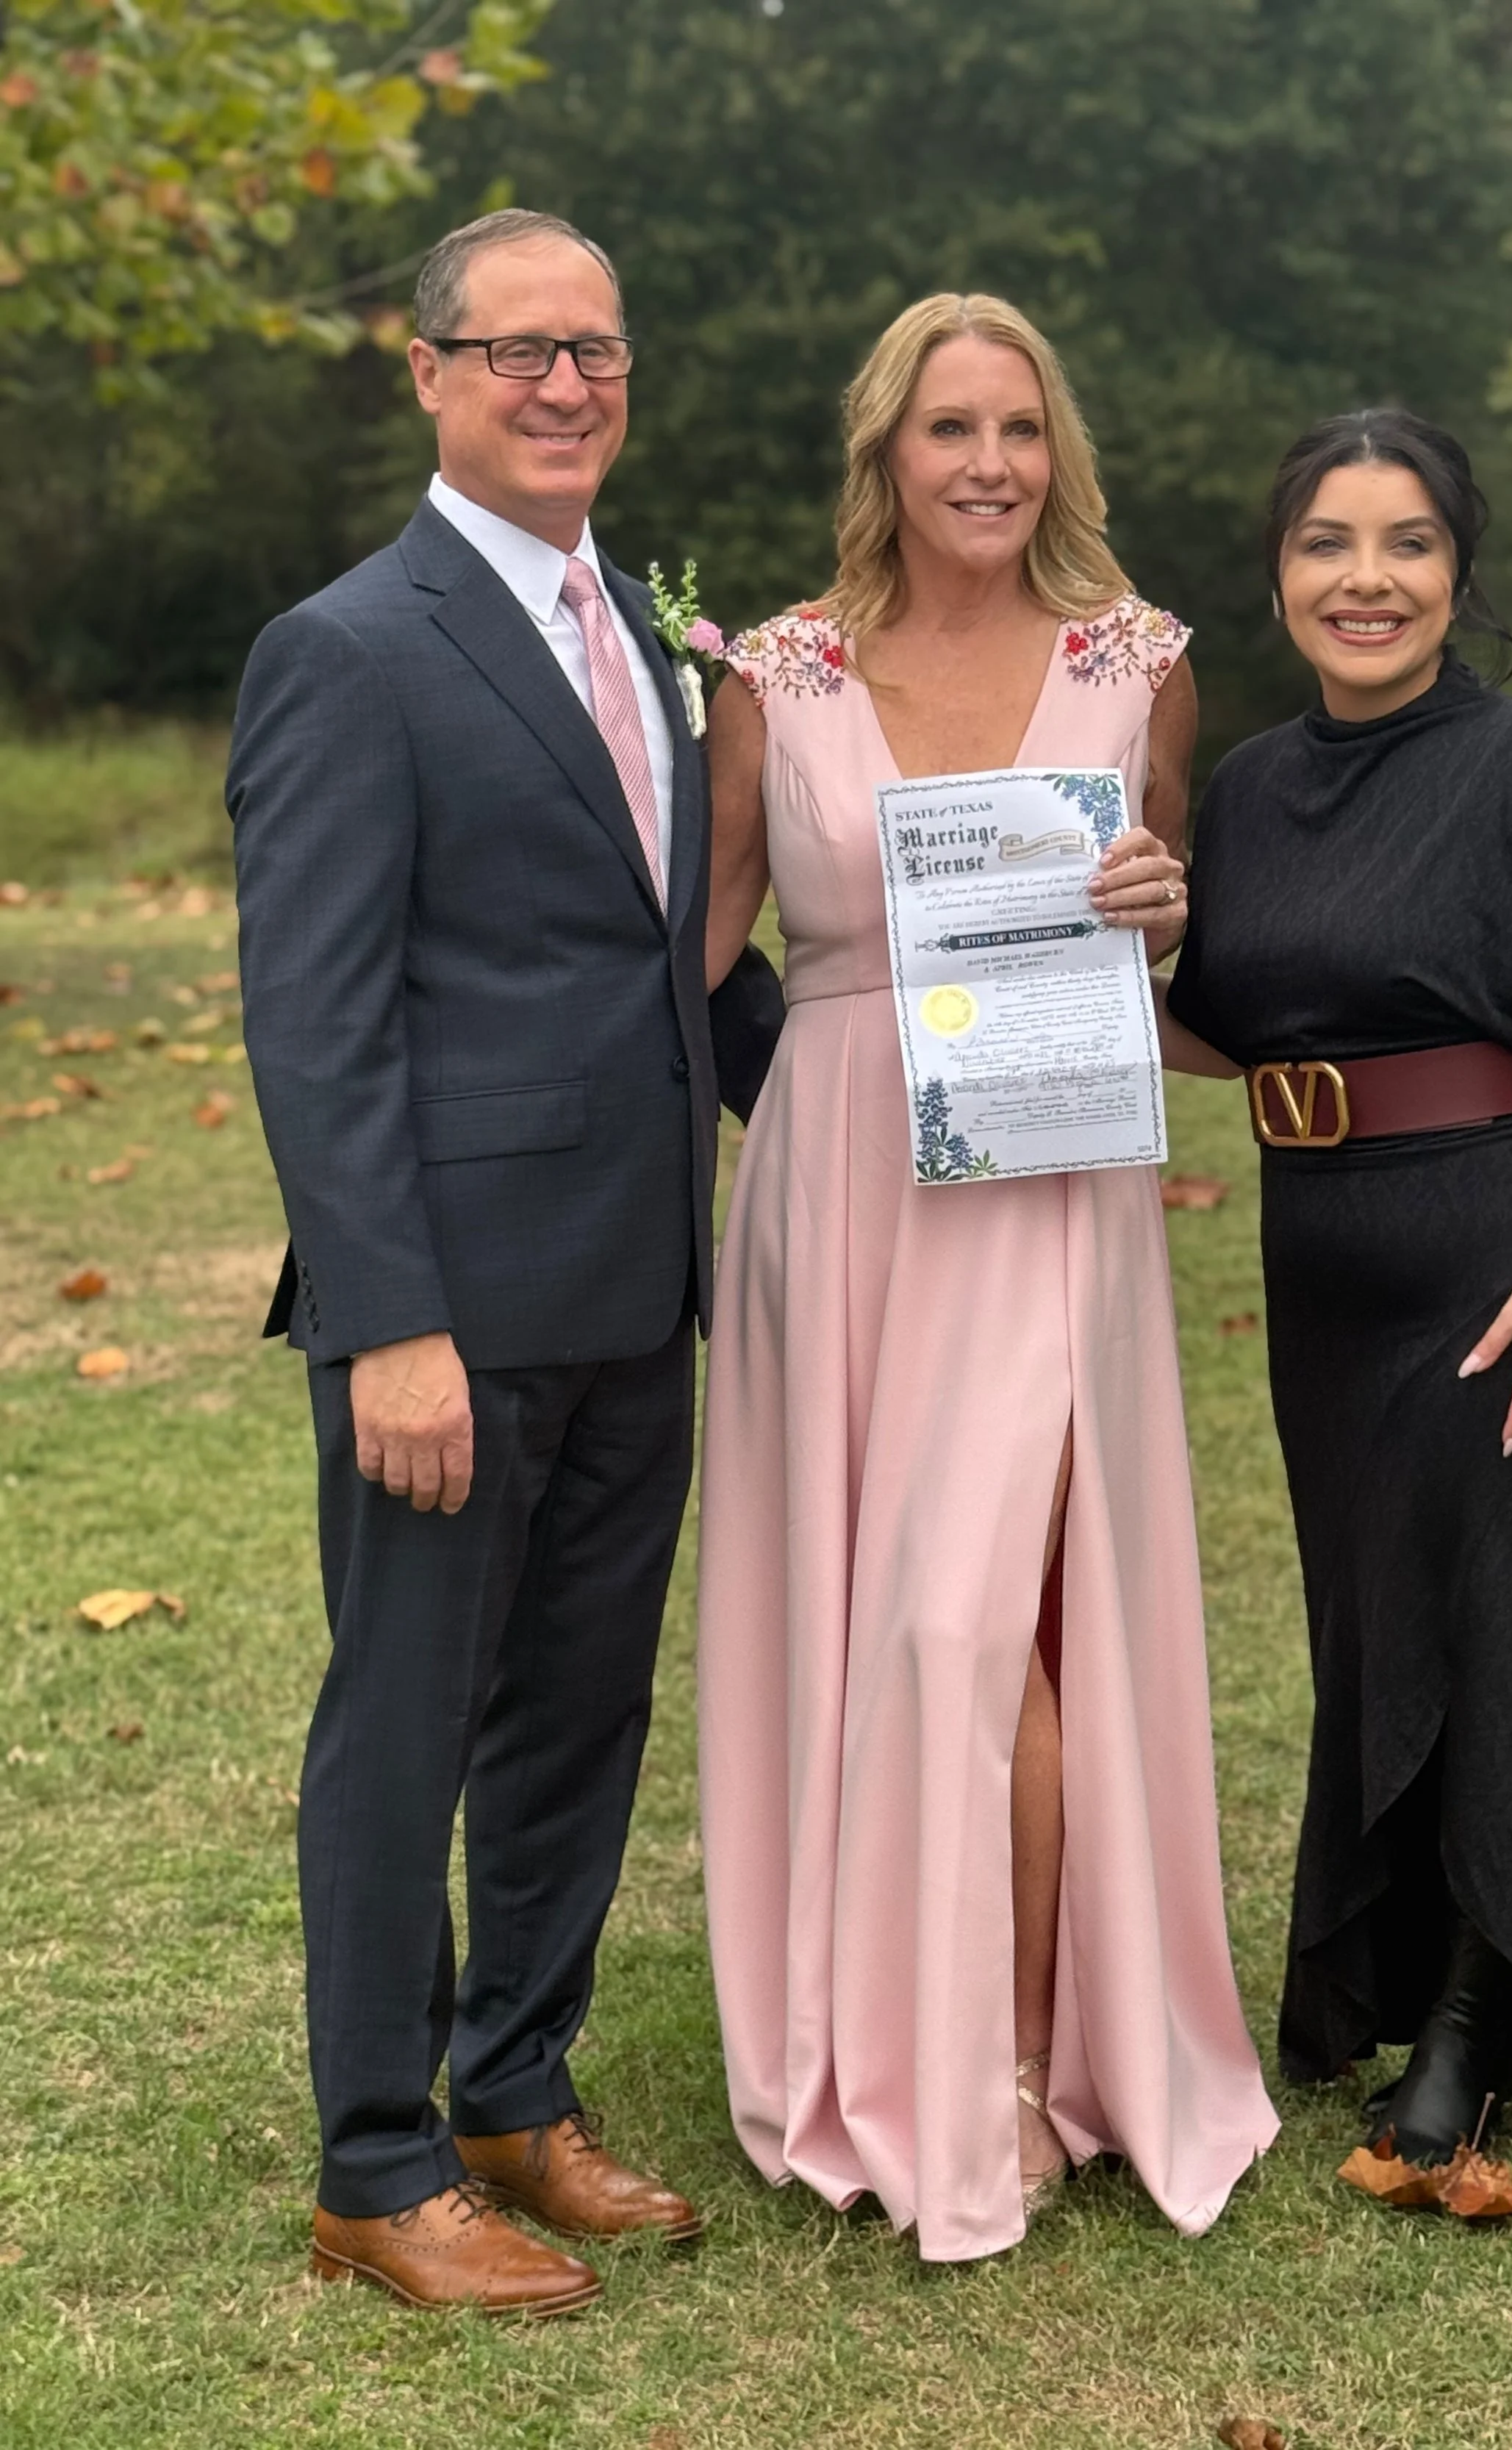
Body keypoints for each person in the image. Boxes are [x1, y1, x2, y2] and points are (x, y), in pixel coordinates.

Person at [229, 208, 782, 2314]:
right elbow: (320, 1014)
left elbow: (681, 960)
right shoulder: (351, 646)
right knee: (409, 1717)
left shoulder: (647, 626)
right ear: (432, 373)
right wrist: (386, 1322)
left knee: (575, 1712)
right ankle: (375, 2161)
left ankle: (511, 2091)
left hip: (637, 1287)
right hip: (447, 1310)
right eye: (520, 351)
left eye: (599, 352)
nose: (566, 386)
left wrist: (923, 1069)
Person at [695, 292, 1278, 2263]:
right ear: (885, 449)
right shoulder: (777, 672)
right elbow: (701, 943)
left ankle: (1025, 2052)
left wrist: (1162, 898)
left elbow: (1173, 926)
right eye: (947, 427)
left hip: (1044, 1182)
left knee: (980, 1618)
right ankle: (906, 2028)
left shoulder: (1140, 668)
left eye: (1017, 428)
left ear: (1057, 451)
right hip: (841, 1184)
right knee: (881, 1610)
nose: (985, 464)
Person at [1158, 408, 1512, 2166]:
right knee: (1374, 1629)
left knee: (1495, 1633)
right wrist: (1077, 933)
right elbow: (1209, 1039)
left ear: (1456, 572)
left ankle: (1474, 2024)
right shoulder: (1243, 789)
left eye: (1403, 544)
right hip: (1315, 1268)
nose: (1363, 579)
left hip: (1493, 1252)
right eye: (1325, 543)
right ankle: (1388, 1967)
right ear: (1277, 573)